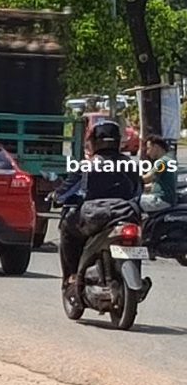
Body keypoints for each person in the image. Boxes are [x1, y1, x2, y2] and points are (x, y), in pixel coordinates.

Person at [53, 121, 142, 291]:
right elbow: (138, 192)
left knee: (67, 228)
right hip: (126, 214)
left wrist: (56, 197)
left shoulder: (87, 165)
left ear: (93, 142)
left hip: (94, 217)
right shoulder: (131, 164)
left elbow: (65, 192)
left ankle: (72, 275)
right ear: (118, 141)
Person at [140, 134, 177, 212]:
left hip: (160, 200)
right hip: (167, 200)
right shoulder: (170, 159)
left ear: (156, 147)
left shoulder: (162, 162)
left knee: (132, 204)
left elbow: (148, 178)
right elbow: (157, 183)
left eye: (148, 148)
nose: (147, 153)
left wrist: (131, 178)